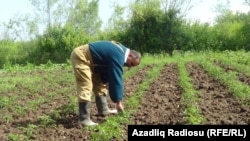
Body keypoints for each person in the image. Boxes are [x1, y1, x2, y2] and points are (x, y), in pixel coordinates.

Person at [70, 40, 141, 126]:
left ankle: (103, 110)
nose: (129, 66)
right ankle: (84, 119)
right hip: (82, 57)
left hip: (94, 62)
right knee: (86, 85)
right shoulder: (119, 54)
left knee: (99, 85)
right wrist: (118, 102)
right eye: (131, 64)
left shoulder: (119, 51)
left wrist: (106, 80)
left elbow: (107, 65)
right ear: (130, 55)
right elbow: (116, 77)